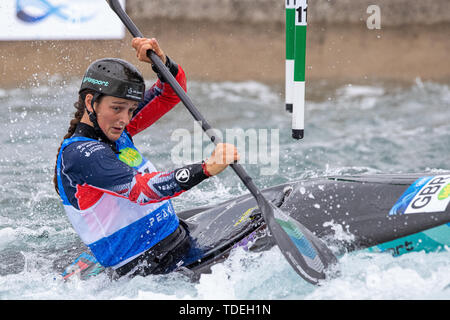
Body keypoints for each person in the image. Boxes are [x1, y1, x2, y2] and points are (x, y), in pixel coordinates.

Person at [53, 37, 239, 278]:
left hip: (176, 241)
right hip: (146, 270)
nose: (126, 119)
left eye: (131, 109)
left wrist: (161, 62)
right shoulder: (79, 155)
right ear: (91, 102)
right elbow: (143, 190)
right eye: (117, 108)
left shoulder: (115, 130)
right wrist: (205, 168)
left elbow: (170, 93)